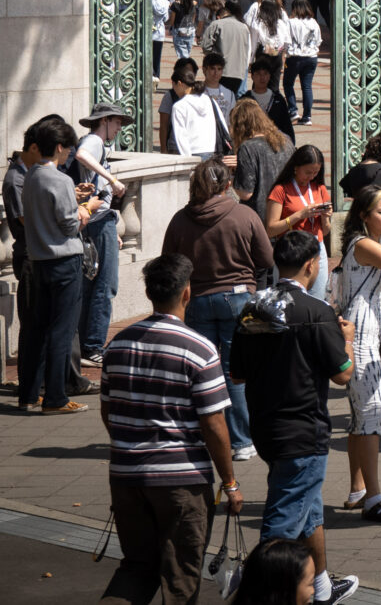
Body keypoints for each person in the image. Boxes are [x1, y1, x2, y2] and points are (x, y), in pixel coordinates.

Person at [96, 249, 237, 605]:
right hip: (181, 482)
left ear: (149, 293)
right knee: (180, 577)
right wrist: (230, 482)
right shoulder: (200, 350)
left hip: (127, 476)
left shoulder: (117, 345)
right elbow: (214, 425)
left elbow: (109, 412)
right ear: (187, 292)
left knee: (136, 569)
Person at [232, 231, 362, 605]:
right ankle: (259, 594)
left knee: (310, 511)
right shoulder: (316, 312)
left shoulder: (253, 309)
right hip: (303, 431)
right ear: (310, 265)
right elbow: (342, 374)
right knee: (281, 527)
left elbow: (237, 374)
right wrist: (348, 341)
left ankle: (320, 588)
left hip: (266, 427)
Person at [163, 155, 273, 457]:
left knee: (199, 371)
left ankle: (200, 436)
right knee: (233, 372)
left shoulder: (181, 219)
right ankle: (240, 441)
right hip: (238, 298)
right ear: (227, 185)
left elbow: (168, 262)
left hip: (196, 299)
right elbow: (266, 259)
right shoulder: (244, 215)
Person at [328, 182, 381, 522]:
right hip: (361, 342)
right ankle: (374, 498)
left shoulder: (362, 246)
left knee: (361, 418)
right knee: (372, 419)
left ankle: (359, 490)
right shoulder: (364, 245)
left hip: (363, 337)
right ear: (364, 216)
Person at [10, 115, 93, 415]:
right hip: (64, 261)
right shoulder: (60, 179)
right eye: (68, 148)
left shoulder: (30, 175)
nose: (70, 153)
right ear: (59, 148)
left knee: (38, 330)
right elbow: (70, 226)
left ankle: (29, 394)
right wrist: (86, 209)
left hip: (40, 260)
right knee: (61, 330)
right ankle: (56, 397)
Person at [72, 101, 132, 368]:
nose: (119, 127)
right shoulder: (94, 141)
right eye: (117, 122)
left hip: (97, 220)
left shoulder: (97, 142)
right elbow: (82, 155)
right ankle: (93, 346)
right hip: (97, 220)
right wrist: (112, 179)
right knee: (106, 285)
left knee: (93, 284)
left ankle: (87, 344)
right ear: (105, 120)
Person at [264, 145, 337, 302]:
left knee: (317, 299)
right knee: (288, 300)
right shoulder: (280, 190)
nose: (311, 177)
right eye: (308, 172)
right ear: (296, 168)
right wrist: (300, 215)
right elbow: (270, 229)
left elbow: (325, 231)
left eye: (315, 172)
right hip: (291, 251)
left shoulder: (320, 188)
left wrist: (325, 217)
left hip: (316, 249)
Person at [231, 96, 291, 217]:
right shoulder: (285, 139)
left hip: (260, 215)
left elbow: (245, 193)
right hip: (285, 212)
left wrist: (232, 175)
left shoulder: (248, 147)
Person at [165, 58, 224, 158]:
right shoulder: (209, 99)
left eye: (173, 85)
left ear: (179, 83)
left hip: (191, 154)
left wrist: (188, 162)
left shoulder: (179, 106)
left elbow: (181, 137)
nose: (174, 89)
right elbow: (222, 124)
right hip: (210, 152)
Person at [283, 0, 322, 125]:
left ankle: (293, 110)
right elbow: (318, 40)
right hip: (311, 57)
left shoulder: (291, 22)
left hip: (295, 56)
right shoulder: (314, 22)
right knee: (307, 86)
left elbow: (286, 40)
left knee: (288, 83)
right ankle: (307, 116)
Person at [204, 1, 254, 95]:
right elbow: (248, 50)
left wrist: (212, 58)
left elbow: (206, 46)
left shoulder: (217, 24)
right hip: (239, 72)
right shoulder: (244, 27)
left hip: (221, 70)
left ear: (226, 10)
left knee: (219, 98)